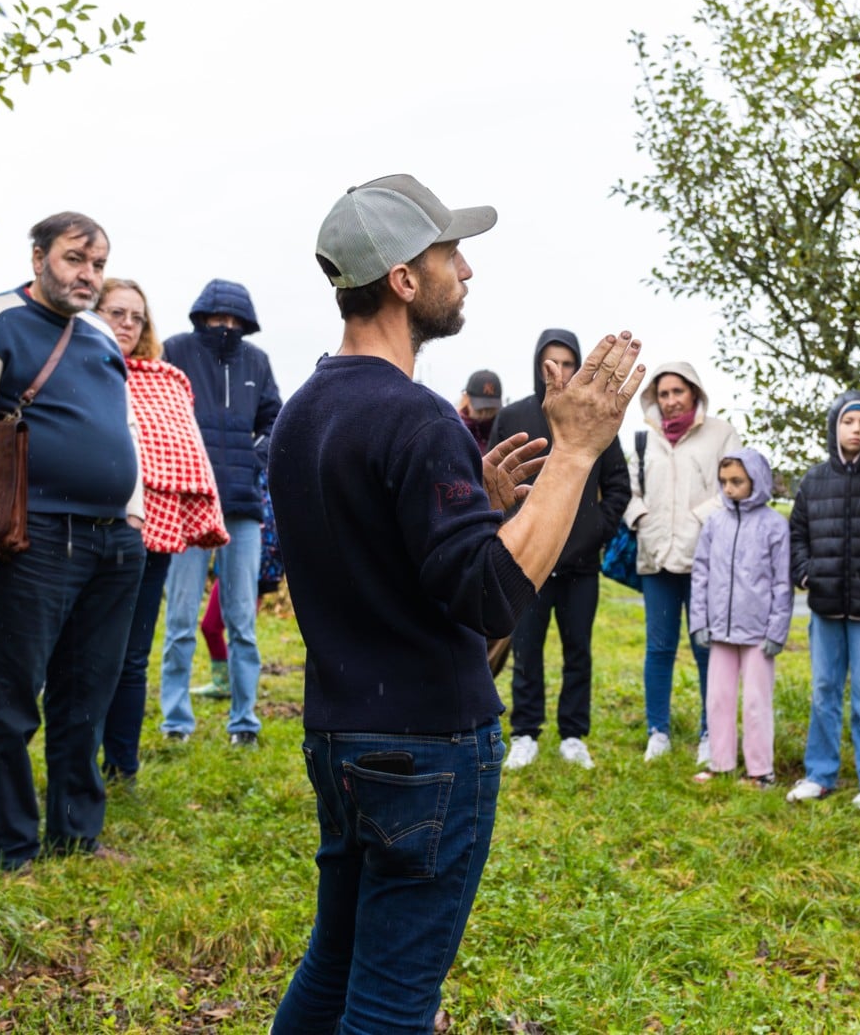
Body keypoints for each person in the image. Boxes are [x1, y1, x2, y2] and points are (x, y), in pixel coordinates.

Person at [266, 173, 644, 1033]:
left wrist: (474, 503)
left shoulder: (302, 413)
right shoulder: (416, 418)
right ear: (403, 279)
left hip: (339, 735)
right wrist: (577, 453)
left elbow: (375, 554)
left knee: (334, 957)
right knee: (395, 998)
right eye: (448, 254)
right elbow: (490, 596)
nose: (465, 270)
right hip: (426, 750)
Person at [0, 211, 146, 870]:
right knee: (13, 697)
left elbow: (122, 427)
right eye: (76, 259)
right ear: (38, 257)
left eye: (98, 264)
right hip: (37, 536)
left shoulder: (101, 335)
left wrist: (133, 512)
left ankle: (77, 835)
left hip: (114, 544)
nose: (88, 275)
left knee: (88, 696)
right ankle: (10, 849)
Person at [93, 280, 228, 784]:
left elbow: (185, 455)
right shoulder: (74, 371)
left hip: (152, 535)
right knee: (85, 654)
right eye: (115, 313)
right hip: (82, 534)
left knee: (131, 655)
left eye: (136, 316)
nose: (127, 323)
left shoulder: (165, 381)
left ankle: (121, 766)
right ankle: (79, 763)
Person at [490, 329, 631, 771]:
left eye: (568, 363)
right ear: (538, 365)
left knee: (578, 651)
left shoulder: (595, 420)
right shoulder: (513, 416)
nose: (560, 371)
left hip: (580, 564)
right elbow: (495, 481)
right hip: (527, 564)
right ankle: (525, 733)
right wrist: (512, 531)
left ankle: (573, 734)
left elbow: (619, 486)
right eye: (551, 362)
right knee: (526, 651)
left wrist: (596, 530)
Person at [158, 279, 282, 747]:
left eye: (234, 319)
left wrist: (256, 456)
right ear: (202, 315)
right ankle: (175, 722)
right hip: (187, 504)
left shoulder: (257, 361)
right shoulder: (175, 350)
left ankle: (245, 723)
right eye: (218, 318)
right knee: (181, 621)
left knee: (242, 624)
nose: (225, 326)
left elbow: (276, 418)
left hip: (243, 509)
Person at [623, 361, 741, 764]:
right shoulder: (643, 440)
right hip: (656, 557)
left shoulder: (721, 434)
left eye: (678, 392)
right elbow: (629, 490)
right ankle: (658, 731)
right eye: (663, 394)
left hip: (704, 558)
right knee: (658, 647)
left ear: (694, 392)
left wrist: (697, 519)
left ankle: (712, 732)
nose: (671, 401)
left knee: (706, 647)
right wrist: (641, 518)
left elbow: (733, 486)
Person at [786, 391, 860, 810]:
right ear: (835, 427)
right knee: (824, 692)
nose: (856, 430)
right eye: (849, 422)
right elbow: (797, 532)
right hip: (825, 606)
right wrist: (805, 570)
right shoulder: (814, 481)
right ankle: (819, 774)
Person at [689, 448, 791, 788]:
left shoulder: (775, 526)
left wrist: (777, 630)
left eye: (737, 481)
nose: (729, 488)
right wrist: (699, 622)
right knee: (717, 699)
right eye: (724, 482)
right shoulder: (715, 523)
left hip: (758, 634)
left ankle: (761, 772)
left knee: (756, 702)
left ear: (756, 480)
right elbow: (701, 573)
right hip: (719, 631)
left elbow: (781, 581)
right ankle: (720, 764)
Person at [458, 368, 503, 452]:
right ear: (466, 398)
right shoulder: (455, 430)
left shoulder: (504, 429)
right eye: (480, 410)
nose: (485, 414)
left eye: (491, 409)